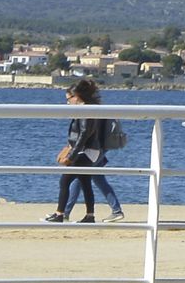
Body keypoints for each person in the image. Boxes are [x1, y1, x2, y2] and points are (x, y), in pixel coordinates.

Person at [45, 78, 125, 223]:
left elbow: (84, 134)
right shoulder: (89, 108)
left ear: (77, 96)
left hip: (85, 152)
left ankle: (60, 214)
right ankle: (89, 215)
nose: (67, 102)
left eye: (69, 99)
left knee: (65, 181)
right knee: (85, 182)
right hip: (91, 151)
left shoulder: (85, 110)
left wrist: (72, 155)